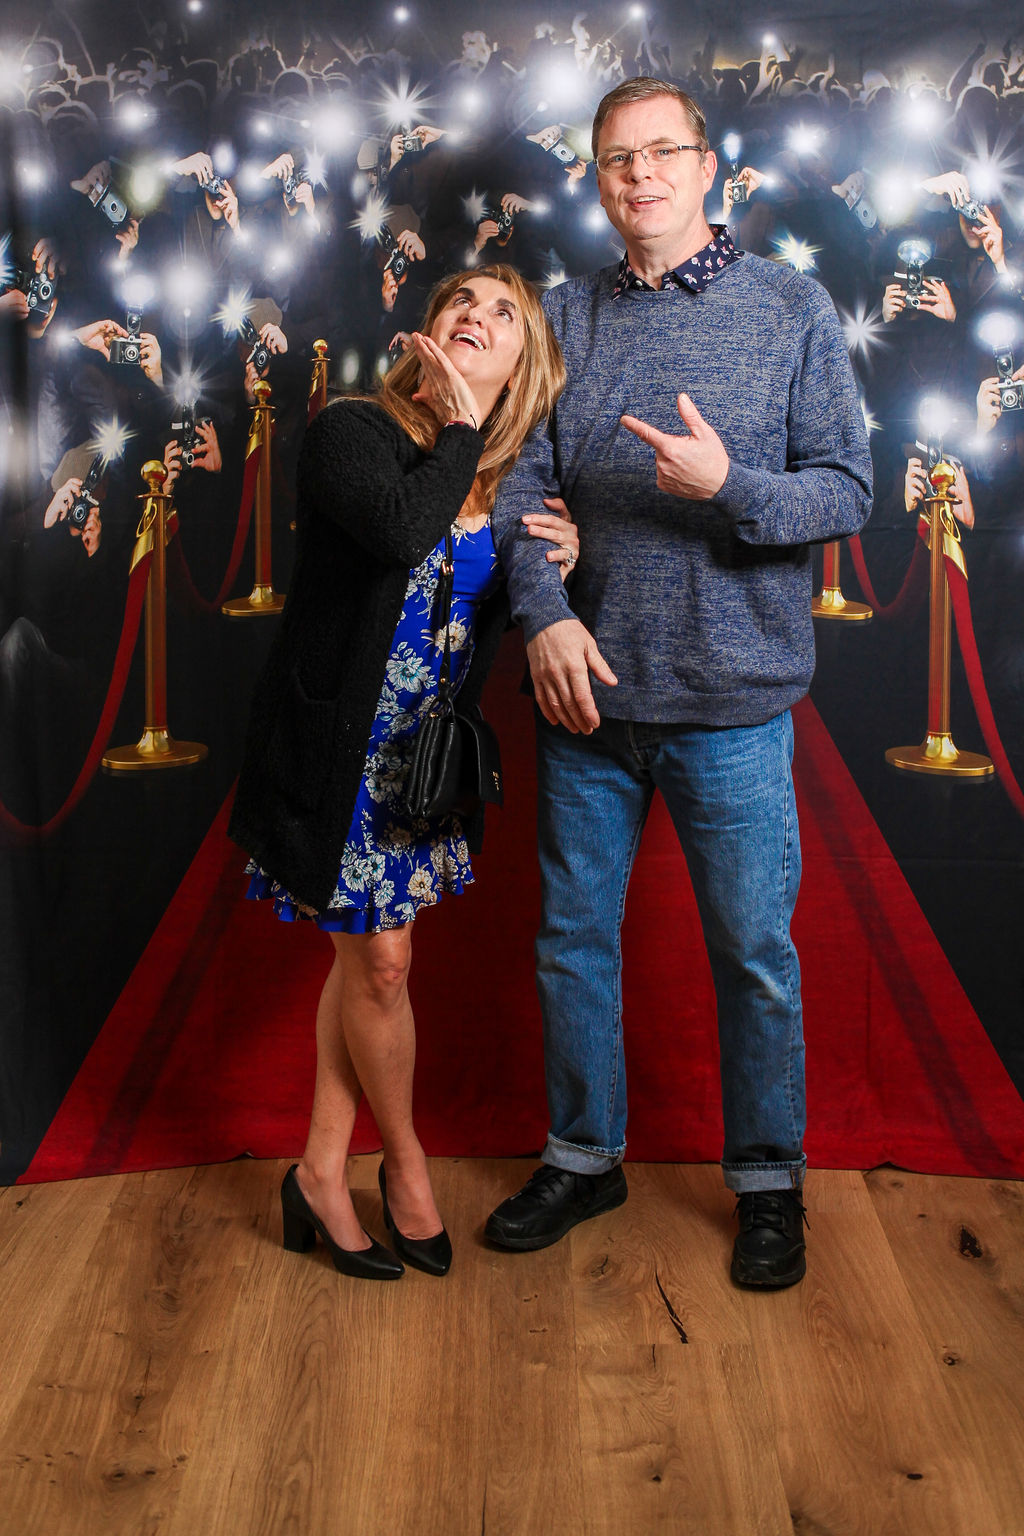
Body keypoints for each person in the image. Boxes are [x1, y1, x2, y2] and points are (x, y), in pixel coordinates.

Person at [485, 79, 873, 1288]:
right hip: (587, 700)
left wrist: (730, 487)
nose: (640, 174)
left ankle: (766, 1182)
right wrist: (543, 618)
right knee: (570, 943)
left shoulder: (790, 307)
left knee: (753, 952)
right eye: (617, 158)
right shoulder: (563, 315)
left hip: (733, 706)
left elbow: (847, 492)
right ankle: (583, 1156)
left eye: (663, 152)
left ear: (709, 168)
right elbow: (515, 488)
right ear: (596, 180)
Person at [229, 265, 569, 1281]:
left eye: (503, 314)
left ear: (524, 366)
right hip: (338, 754)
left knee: (363, 968)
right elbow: (396, 530)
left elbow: (492, 607)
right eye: (461, 301)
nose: (476, 315)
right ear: (426, 333)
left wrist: (563, 552)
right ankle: (406, 1165)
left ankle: (319, 1172)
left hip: (420, 768)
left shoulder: (507, 482)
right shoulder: (353, 431)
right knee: (380, 965)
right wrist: (459, 426)